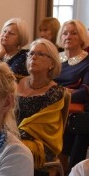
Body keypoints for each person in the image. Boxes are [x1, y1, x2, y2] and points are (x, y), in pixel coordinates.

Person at [56, 19, 89, 170]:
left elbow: (86, 92)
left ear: (81, 37)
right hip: (52, 106)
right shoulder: (54, 58)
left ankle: (63, 173)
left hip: (76, 111)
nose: (68, 36)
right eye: (65, 33)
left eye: (73, 33)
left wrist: (58, 94)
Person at [14, 38, 66, 167]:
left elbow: (42, 126)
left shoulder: (55, 92)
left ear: (52, 64)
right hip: (12, 137)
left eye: (40, 54)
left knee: (9, 150)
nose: (34, 57)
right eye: (31, 53)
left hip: (39, 144)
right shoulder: (15, 83)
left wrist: (10, 135)